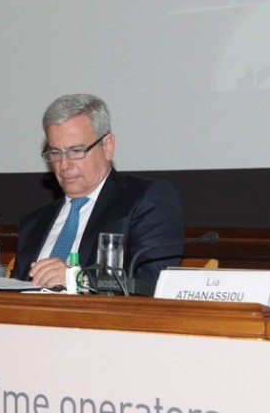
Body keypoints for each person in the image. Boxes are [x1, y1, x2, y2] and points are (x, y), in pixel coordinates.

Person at [12, 94, 184, 290]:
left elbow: (152, 281)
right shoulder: (33, 224)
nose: (64, 165)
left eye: (76, 151)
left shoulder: (146, 200)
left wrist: (77, 279)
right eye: (55, 152)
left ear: (108, 146)